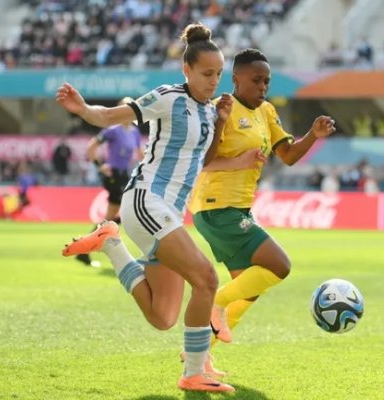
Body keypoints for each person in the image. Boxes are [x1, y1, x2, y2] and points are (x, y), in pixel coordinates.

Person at [56, 23, 235, 393]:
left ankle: (111, 244)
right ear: (186, 70)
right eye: (206, 74)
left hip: (166, 212)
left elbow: (206, 159)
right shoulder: (169, 97)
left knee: (163, 316)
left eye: (218, 74)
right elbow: (109, 118)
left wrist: (222, 123)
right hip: (146, 200)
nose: (213, 81)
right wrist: (84, 108)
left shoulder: (210, 110)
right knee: (207, 279)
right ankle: (195, 371)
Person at [189, 48, 336, 373]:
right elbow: (201, 160)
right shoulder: (221, 108)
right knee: (279, 265)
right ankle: (216, 302)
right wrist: (238, 158)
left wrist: (314, 134)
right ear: (236, 79)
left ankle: (198, 356)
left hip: (238, 208)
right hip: (216, 206)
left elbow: (288, 155)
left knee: (250, 289)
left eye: (266, 80)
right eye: (256, 80)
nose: (262, 86)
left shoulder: (267, 112)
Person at [74, 98, 145, 268]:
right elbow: (91, 146)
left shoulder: (134, 132)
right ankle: (88, 246)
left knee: (112, 217)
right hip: (113, 175)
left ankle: (85, 248)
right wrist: (99, 167)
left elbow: (139, 153)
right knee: (127, 210)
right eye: (125, 108)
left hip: (124, 175)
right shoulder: (113, 130)